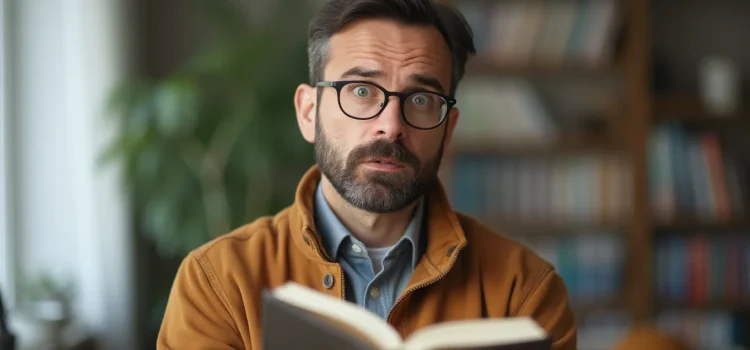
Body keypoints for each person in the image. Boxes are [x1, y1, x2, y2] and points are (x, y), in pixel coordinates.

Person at [157, 0, 576, 349]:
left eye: (421, 99)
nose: (391, 124)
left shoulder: (525, 293)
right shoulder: (217, 283)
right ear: (308, 112)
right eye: (361, 91)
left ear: (448, 130)